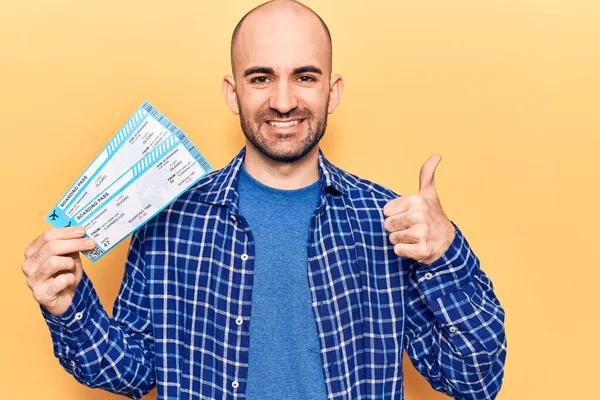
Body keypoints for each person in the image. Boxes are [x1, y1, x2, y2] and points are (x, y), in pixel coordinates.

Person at [21, 1, 506, 399]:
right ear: (233, 93)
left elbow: (475, 380)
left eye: (305, 76)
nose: (282, 100)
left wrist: (446, 255)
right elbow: (131, 373)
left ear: (332, 91)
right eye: (260, 78)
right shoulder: (169, 219)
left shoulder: (386, 222)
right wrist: (70, 308)